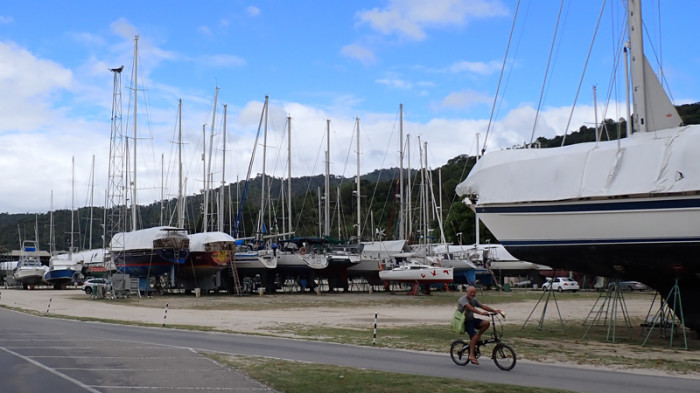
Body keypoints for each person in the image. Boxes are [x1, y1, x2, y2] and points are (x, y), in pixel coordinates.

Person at [457, 285, 501, 365]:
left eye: (474, 292)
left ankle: (478, 336)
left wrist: (494, 310)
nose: (473, 294)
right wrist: (481, 313)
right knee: (474, 337)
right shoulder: (462, 300)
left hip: (472, 320)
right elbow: (469, 307)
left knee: (486, 323)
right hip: (464, 321)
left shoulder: (474, 300)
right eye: (471, 292)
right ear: (467, 292)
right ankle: (471, 355)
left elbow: (482, 306)